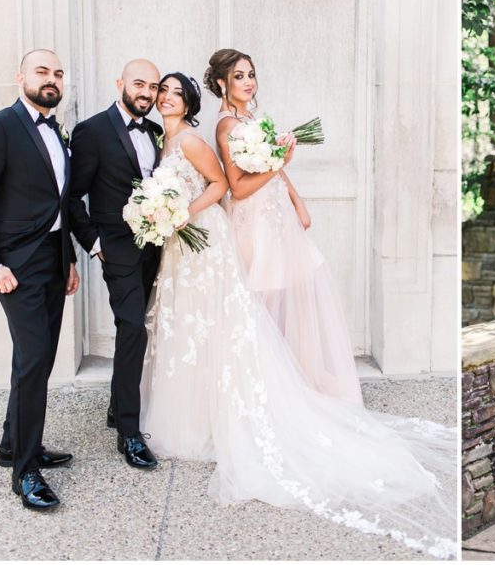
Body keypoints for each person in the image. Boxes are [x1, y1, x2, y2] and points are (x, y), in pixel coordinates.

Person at [139, 73, 456, 557]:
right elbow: (221, 186)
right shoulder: (170, 141)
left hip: (206, 239)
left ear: (190, 100)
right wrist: (164, 214)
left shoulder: (196, 140)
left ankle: (244, 410)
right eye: (162, 93)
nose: (165, 98)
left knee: (221, 326)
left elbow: (221, 185)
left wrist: (181, 212)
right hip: (190, 246)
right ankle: (198, 414)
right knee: (194, 331)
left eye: (174, 93)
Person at [0, 49, 80, 510]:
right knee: (33, 361)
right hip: (16, 265)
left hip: (53, 258)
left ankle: (14, 442)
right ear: (20, 77)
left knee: (36, 359)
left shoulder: (57, 130)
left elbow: (60, 205)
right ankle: (25, 471)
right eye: (42, 71)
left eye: (58, 73)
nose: (51, 79)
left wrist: (68, 259)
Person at [206, 48, 362, 404]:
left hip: (277, 217)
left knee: (292, 296)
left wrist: (297, 199)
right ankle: (268, 393)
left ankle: (296, 382)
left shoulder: (251, 119)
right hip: (255, 225)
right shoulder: (227, 126)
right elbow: (240, 187)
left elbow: (270, 168)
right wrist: (280, 160)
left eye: (251, 74)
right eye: (239, 76)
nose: (248, 82)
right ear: (221, 83)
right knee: (264, 305)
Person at [68, 59, 163, 469]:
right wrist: (95, 244)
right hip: (117, 249)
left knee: (139, 324)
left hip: (155, 247)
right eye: (139, 83)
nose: (146, 92)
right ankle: (128, 432)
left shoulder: (157, 131)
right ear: (119, 83)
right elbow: (72, 196)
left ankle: (115, 406)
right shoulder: (92, 130)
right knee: (132, 328)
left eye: (153, 87)